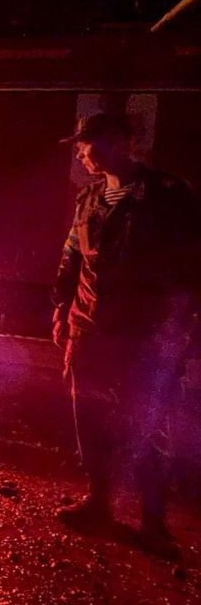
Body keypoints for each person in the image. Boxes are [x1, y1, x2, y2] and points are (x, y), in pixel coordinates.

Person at [50, 112, 199, 553]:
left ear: (117, 141)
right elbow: (72, 257)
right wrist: (62, 309)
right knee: (90, 416)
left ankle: (153, 522)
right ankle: (99, 502)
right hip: (89, 327)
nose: (80, 152)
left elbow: (191, 267)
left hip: (145, 333)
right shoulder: (90, 198)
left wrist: (183, 328)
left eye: (86, 143)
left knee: (146, 423)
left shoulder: (169, 197)